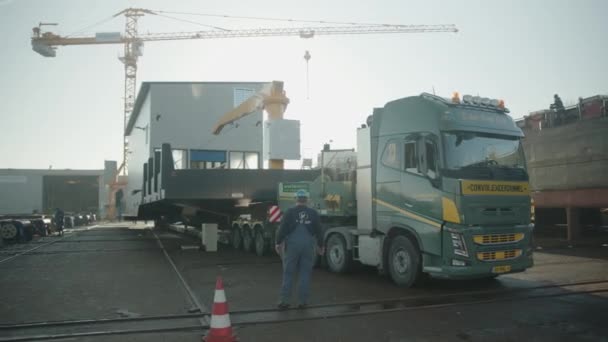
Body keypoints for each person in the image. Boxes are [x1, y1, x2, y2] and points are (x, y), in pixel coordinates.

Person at [275, 189, 324, 309]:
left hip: (292, 245)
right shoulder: (313, 213)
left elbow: (282, 229)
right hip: (308, 245)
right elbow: (319, 230)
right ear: (307, 200)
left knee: (288, 273)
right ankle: (303, 302)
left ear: (295, 199)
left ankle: (284, 301)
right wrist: (320, 246)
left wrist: (278, 243)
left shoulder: (289, 212)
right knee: (305, 273)